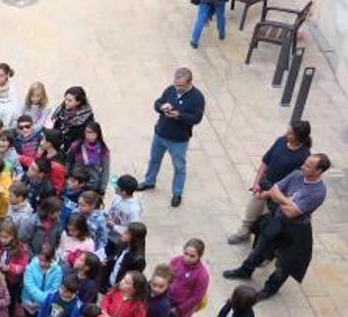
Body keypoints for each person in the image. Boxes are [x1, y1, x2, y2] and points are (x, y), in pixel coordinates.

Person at [223, 154, 330, 298]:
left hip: (296, 230)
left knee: (284, 264)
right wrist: (286, 200)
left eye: (308, 166)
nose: (303, 166)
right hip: (278, 220)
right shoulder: (297, 174)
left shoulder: (318, 192)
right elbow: (274, 189)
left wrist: (279, 198)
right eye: (305, 163)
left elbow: (291, 213)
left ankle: (269, 290)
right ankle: (245, 270)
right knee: (259, 248)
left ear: (318, 171)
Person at [228, 121, 312, 246]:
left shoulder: (304, 156)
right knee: (252, 211)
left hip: (280, 193)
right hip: (265, 184)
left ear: (298, 137)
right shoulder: (281, 141)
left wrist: (269, 194)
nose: (286, 134)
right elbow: (265, 161)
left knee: (267, 222)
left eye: (290, 133)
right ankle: (243, 233)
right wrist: (256, 183)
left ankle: (263, 250)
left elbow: (294, 182)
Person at [137, 67, 205, 207]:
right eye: (176, 84)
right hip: (160, 133)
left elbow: (196, 118)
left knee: (179, 167)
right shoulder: (170, 90)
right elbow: (158, 103)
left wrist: (179, 115)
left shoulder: (197, 97)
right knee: (154, 159)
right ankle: (149, 182)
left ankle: (177, 193)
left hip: (179, 140)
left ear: (189, 82)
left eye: (181, 86)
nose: (177, 88)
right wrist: (162, 108)